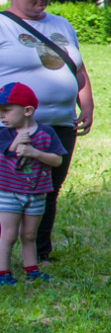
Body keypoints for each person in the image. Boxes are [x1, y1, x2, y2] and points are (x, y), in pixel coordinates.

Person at [0, 0, 89, 263]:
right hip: (12, 126)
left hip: (58, 124)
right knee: (6, 189)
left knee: (47, 187)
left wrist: (85, 101)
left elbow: (77, 66)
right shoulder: (2, 25)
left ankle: (38, 253)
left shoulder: (61, 24)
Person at [0, 82, 64, 284]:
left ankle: (32, 271)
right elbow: (5, 154)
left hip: (37, 192)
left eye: (6, 111)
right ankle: (3, 273)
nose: (2, 116)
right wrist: (17, 142)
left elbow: (57, 160)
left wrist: (34, 153)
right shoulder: (4, 134)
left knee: (29, 234)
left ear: (27, 110)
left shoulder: (46, 134)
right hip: (9, 192)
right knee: (8, 234)